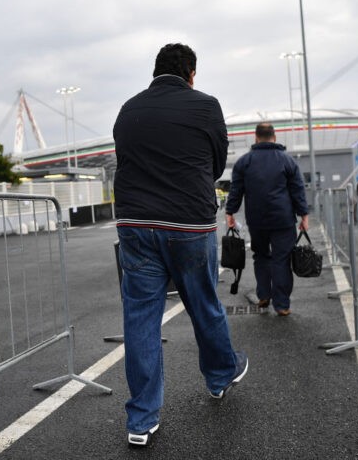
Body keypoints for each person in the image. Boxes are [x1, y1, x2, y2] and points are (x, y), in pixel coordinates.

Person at [113, 43, 248, 447]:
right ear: (191, 73)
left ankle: (141, 420)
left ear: (155, 72)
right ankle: (221, 374)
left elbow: (126, 160)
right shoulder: (205, 106)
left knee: (140, 320)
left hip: (135, 224)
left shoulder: (127, 110)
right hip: (187, 224)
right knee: (203, 304)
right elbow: (217, 164)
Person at [225, 123, 309, 317]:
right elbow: (297, 190)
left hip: (257, 220)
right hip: (283, 220)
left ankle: (263, 295)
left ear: (256, 137)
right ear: (274, 136)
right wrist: (303, 215)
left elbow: (236, 191)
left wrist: (230, 213)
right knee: (281, 260)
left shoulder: (244, 162)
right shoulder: (287, 161)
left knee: (261, 257)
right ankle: (282, 305)